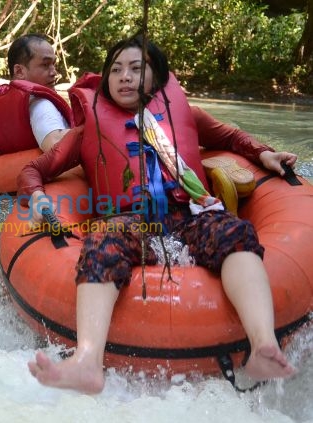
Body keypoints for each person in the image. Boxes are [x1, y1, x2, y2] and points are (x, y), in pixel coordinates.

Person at [17, 34, 298, 394]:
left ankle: (263, 345)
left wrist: (263, 154)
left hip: (190, 212)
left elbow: (230, 137)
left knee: (233, 233)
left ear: (157, 77)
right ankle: (87, 361)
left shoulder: (186, 115)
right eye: (116, 70)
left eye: (136, 69)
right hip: (133, 220)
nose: (125, 77)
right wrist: (38, 199)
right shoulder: (89, 130)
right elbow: (34, 170)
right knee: (103, 241)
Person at [0, 34, 73, 156]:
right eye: (45, 64)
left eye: (53, 64)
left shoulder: (0, 112)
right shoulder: (42, 106)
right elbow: (56, 148)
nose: (54, 72)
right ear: (19, 71)